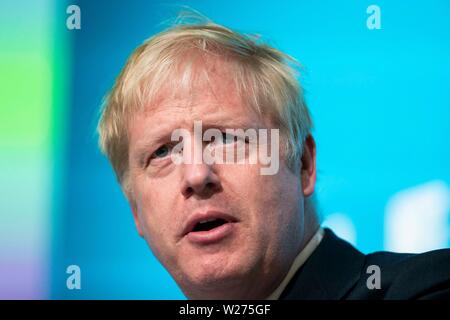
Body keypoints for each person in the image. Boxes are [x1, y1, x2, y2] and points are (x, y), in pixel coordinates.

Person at [97, 17, 450, 299]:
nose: (195, 174)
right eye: (162, 151)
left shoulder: (427, 288)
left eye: (225, 137)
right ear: (136, 212)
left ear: (303, 165)